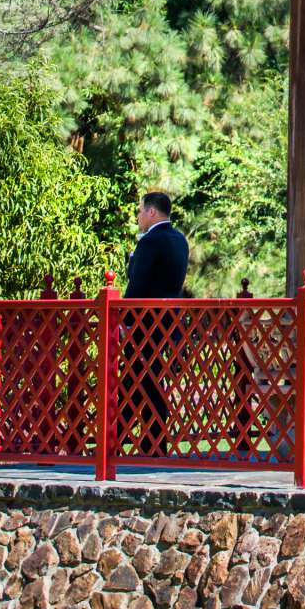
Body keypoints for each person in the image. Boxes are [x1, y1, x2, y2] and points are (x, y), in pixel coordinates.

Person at [123, 191, 189, 456]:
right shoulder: (179, 240)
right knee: (146, 381)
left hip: (144, 324)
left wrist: (124, 320)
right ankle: (149, 442)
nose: (138, 216)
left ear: (152, 212)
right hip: (169, 324)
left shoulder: (150, 242)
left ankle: (126, 442)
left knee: (140, 382)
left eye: (140, 210)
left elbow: (137, 284)